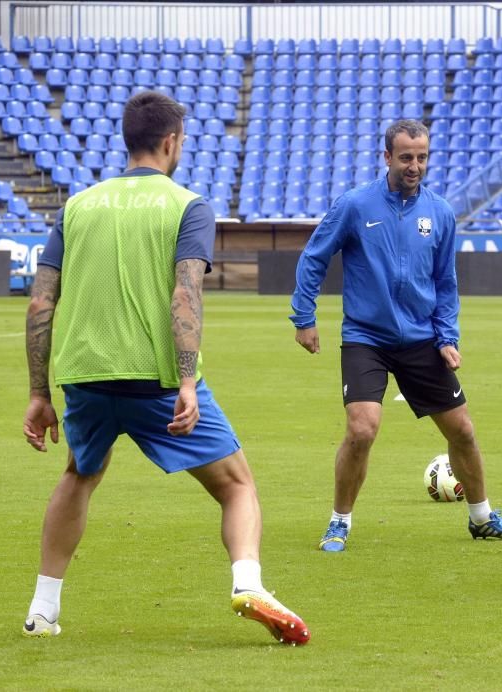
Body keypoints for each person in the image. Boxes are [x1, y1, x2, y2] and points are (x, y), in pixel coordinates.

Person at [21, 92, 309, 645]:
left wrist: (39, 393)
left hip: (83, 374)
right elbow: (186, 291)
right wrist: (184, 381)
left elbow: (40, 303)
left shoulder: (77, 206)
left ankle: (42, 609)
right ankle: (248, 582)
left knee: (79, 475)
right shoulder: (188, 204)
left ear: (126, 139)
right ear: (173, 141)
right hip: (154, 378)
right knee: (237, 486)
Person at [290, 119, 502, 552]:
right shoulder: (355, 205)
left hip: (422, 338)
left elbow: (446, 281)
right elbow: (313, 257)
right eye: (406, 157)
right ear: (387, 157)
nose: (414, 165)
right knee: (362, 429)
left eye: (421, 157)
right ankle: (338, 522)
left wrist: (447, 336)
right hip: (367, 337)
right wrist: (303, 317)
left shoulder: (439, 212)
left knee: (462, 431)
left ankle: (482, 518)